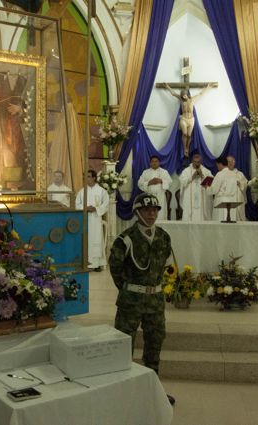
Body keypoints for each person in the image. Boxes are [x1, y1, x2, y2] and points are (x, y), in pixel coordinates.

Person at [108, 193, 175, 406]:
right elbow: (115, 268)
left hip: (155, 301)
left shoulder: (163, 237)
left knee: (154, 344)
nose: (151, 214)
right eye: (147, 210)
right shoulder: (126, 239)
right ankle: (123, 392)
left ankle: (152, 391)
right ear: (137, 212)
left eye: (154, 210)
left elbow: (165, 265)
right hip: (131, 301)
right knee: (124, 345)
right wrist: (129, 290)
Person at [164, 82, 217, 157]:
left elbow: (200, 94)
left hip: (191, 119)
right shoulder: (181, 100)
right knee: (185, 134)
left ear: (187, 94)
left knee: (189, 135)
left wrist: (208, 87)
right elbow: (173, 94)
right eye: (182, 95)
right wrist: (167, 86)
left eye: (184, 95)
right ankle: (184, 148)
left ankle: (187, 147)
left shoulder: (192, 100)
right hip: (183, 119)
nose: (183, 96)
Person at [76, 169, 110, 271]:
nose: (86, 179)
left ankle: (97, 264)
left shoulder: (102, 191)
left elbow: (106, 204)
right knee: (86, 240)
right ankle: (86, 263)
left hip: (96, 219)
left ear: (94, 178)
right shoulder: (82, 191)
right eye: (85, 177)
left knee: (96, 239)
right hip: (85, 219)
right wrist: (85, 208)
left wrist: (96, 209)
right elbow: (77, 204)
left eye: (88, 177)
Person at [179, 152, 213, 222]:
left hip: (202, 200)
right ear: (192, 161)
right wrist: (192, 177)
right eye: (195, 162)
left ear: (201, 161)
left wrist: (202, 175)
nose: (197, 163)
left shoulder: (206, 171)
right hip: (189, 199)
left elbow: (211, 183)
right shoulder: (186, 171)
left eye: (198, 162)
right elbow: (182, 182)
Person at [138, 155, 173, 222]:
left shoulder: (164, 172)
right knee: (150, 214)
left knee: (161, 214)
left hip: (160, 197)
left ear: (159, 162)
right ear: (150, 163)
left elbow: (170, 182)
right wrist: (149, 182)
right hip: (149, 197)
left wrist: (161, 181)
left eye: (156, 161)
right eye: (152, 161)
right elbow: (139, 183)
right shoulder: (145, 172)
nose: (154, 163)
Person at [207, 157, 240, 221]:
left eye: (217, 165)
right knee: (230, 221)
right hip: (231, 201)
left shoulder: (220, 174)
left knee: (220, 222)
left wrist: (207, 187)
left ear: (220, 164)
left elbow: (214, 190)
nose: (217, 167)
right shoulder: (233, 174)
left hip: (221, 202)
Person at [227, 155, 248, 221]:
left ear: (234, 162)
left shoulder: (240, 174)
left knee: (239, 218)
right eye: (228, 162)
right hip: (229, 199)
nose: (230, 163)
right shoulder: (224, 174)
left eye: (232, 161)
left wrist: (240, 183)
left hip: (238, 198)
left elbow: (245, 184)